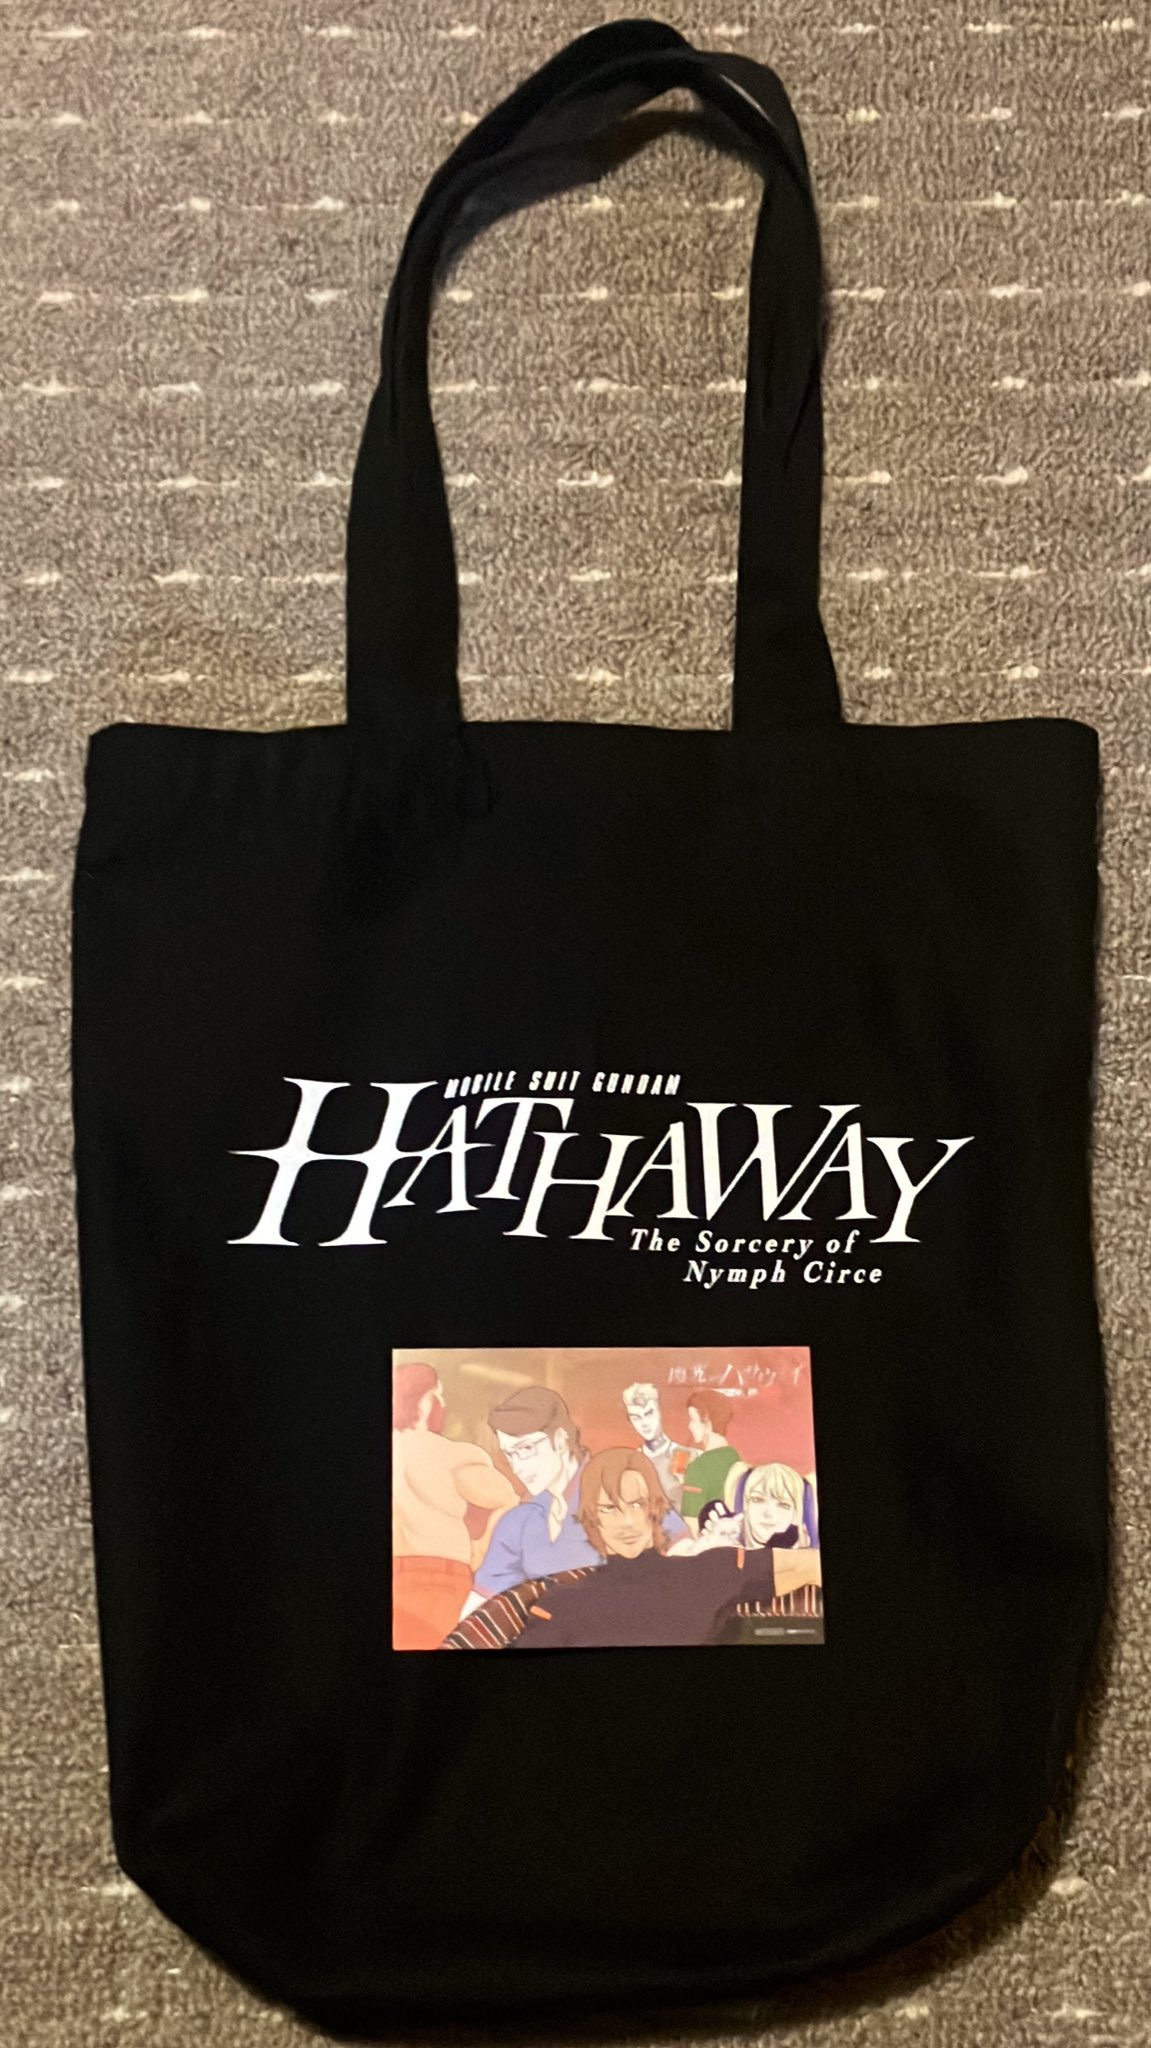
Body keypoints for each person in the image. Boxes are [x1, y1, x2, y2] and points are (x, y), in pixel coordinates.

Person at [508, 1446, 821, 1649]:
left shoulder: (708, 1571)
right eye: (610, 1508)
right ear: (592, 1518)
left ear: (656, 1508)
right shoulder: (563, 1603)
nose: (627, 1522)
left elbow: (808, 1565)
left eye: (637, 1504)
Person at [467, 1386, 686, 1607]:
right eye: (509, 1455)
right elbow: (481, 1604)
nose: (518, 1467)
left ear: (560, 1439)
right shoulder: (520, 1520)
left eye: (526, 1449)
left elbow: (687, 1560)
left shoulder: (620, 1484)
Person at [391, 1361, 518, 1650]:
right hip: (439, 1580)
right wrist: (480, 1550)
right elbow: (506, 1499)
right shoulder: (451, 1455)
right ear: (426, 1402)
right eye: (439, 1396)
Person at [679, 1388, 742, 1532]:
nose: (690, 1426)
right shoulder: (735, 1458)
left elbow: (691, 1525)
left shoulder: (699, 1467)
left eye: (693, 1419)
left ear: (707, 1421)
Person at [621, 1380, 690, 1510]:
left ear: (660, 1411)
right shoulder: (631, 1463)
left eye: (649, 1413)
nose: (644, 1423)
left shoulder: (683, 1455)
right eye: (636, 1417)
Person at [740, 1461, 819, 1550]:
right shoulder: (729, 1539)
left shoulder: (807, 1553)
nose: (769, 1513)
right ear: (746, 1504)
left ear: (796, 1514)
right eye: (758, 1500)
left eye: (783, 1505)